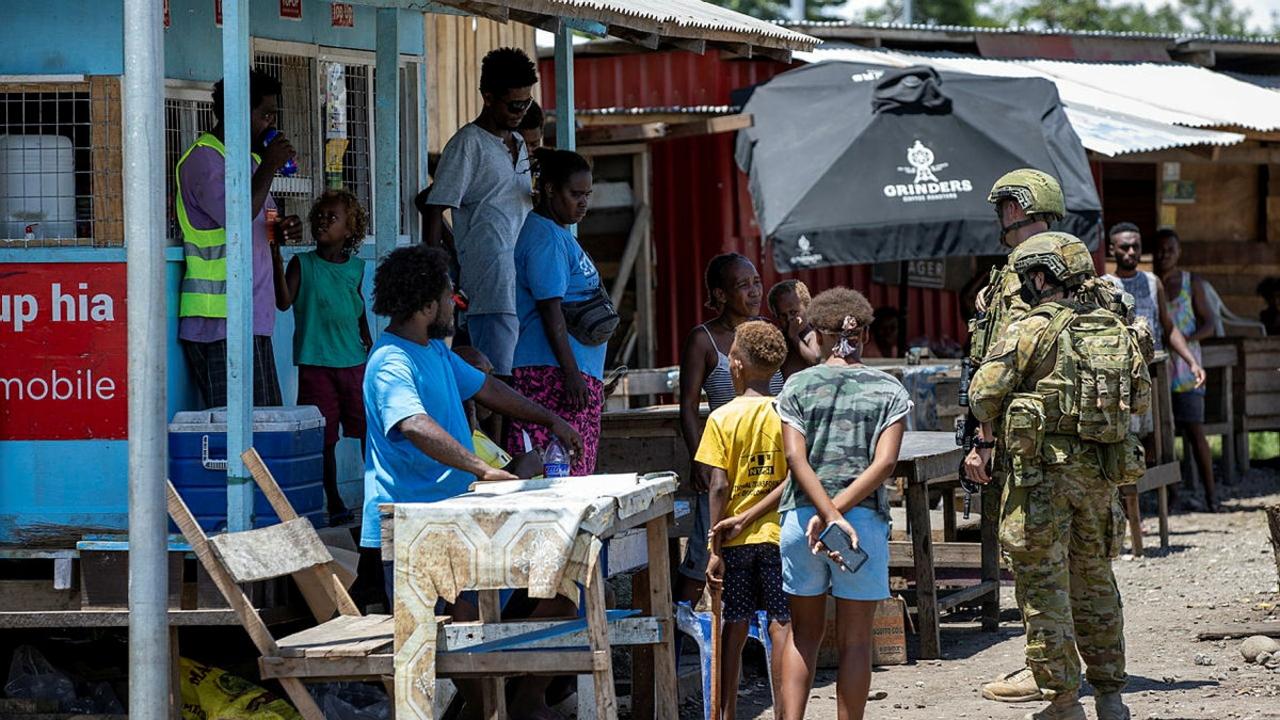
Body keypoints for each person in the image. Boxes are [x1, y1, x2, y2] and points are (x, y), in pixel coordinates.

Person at [361, 245, 582, 720]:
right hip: (416, 531)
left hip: (462, 520)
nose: (453, 303)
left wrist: (552, 419)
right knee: (465, 621)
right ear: (425, 308)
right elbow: (414, 424)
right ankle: (492, 711)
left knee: (571, 577)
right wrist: (482, 470)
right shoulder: (389, 362)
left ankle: (522, 703)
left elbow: (487, 389)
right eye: (447, 296)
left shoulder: (433, 351)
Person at [967, 232, 1150, 720]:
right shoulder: (1114, 328)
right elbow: (1142, 400)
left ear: (1041, 277)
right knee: (1097, 584)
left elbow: (983, 396)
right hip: (1100, 481)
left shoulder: (1031, 328)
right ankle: (1111, 699)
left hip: (1040, 484)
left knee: (1044, 590)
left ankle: (1063, 704)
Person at [773, 287, 911, 720]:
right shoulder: (888, 389)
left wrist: (823, 513)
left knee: (803, 636)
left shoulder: (797, 384)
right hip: (863, 526)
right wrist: (840, 514)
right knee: (855, 642)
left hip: (801, 520)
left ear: (816, 334)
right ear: (864, 335)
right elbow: (885, 463)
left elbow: (795, 458)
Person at [965, 169, 1067, 705]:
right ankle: (1079, 661)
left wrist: (982, 440)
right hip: (1076, 440)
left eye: (1012, 210)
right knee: (1075, 555)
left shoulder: (1017, 279)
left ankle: (1045, 666)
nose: (1006, 221)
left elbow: (998, 365)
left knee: (1030, 554)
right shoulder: (1078, 270)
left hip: (1024, 439)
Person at [176, 69, 303, 408]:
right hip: (218, 321)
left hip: (252, 315)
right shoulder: (204, 159)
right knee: (238, 433)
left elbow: (265, 218)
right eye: (264, 114)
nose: (270, 122)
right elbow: (236, 215)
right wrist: (270, 165)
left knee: (265, 426)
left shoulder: (248, 160)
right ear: (235, 112)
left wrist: (285, 228)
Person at [421, 47, 538, 381]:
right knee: (495, 386)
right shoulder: (467, 144)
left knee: (521, 384)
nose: (521, 111)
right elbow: (434, 207)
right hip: (489, 289)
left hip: (525, 287)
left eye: (527, 103)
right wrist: (433, 278)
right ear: (488, 97)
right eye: (514, 104)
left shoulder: (518, 140)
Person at [699, 320, 792, 720]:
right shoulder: (785, 413)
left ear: (735, 365)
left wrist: (712, 547)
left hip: (733, 542)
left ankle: (726, 712)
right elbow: (795, 479)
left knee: (732, 628)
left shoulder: (721, 418)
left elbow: (717, 486)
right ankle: (787, 712)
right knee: (780, 626)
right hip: (778, 537)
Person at [677, 253, 783, 604]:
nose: (754, 292)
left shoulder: (767, 334)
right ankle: (677, 644)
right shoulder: (703, 340)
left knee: (768, 550)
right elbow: (689, 406)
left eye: (756, 282)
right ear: (720, 295)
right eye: (743, 285)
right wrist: (698, 460)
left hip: (771, 460)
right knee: (705, 552)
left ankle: (756, 638)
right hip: (724, 461)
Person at [271, 189, 372, 526]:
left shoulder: (356, 268)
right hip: (316, 364)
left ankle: (374, 494)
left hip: (353, 362)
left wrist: (368, 340)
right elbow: (284, 302)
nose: (323, 222)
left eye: (333, 218)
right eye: (320, 216)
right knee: (324, 438)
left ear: (349, 229)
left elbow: (357, 308)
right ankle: (335, 499)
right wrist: (276, 255)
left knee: (365, 431)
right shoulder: (304, 264)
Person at [508, 149, 612, 475]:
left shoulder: (559, 234)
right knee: (560, 472)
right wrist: (571, 374)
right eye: (575, 194)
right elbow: (550, 310)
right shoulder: (545, 238)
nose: (582, 203)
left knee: (574, 469)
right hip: (551, 375)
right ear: (550, 189)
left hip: (570, 374)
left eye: (587, 195)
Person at [1102, 222, 1205, 445]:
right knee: (1126, 438)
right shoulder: (1104, 287)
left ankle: (1165, 481)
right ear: (1112, 250)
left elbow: (1168, 327)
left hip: (1155, 374)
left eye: (1136, 247)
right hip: (1121, 378)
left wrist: (1191, 361)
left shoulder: (1152, 282)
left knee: (1157, 438)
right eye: (1125, 247)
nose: (1131, 252)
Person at [1154, 228, 1220, 511]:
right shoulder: (1150, 282)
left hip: (1186, 370)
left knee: (1195, 432)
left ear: (1179, 252)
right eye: (1160, 249)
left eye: (1170, 249)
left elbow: (1210, 324)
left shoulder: (1192, 283)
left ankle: (1211, 496)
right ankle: (1171, 496)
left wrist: (1182, 341)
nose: (1165, 254)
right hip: (1158, 371)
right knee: (1160, 435)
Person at [453, 345, 544, 479]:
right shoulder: (454, 441)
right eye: (477, 373)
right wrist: (522, 471)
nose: (487, 382)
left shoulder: (482, 437)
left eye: (491, 374)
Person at [767, 280, 821, 379]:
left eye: (793, 312)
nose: (789, 319)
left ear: (807, 307)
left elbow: (815, 359)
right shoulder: (780, 338)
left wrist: (794, 337)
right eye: (783, 315)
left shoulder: (812, 335)